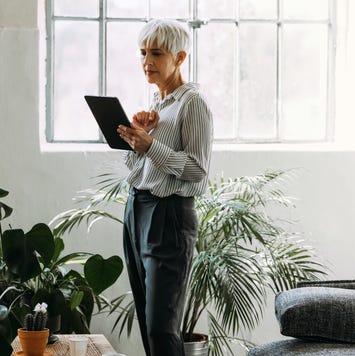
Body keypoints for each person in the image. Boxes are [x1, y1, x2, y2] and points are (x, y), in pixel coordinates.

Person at [117, 18, 213, 356]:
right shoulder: (158, 106)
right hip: (137, 210)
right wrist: (136, 139)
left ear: (180, 58)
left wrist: (150, 146)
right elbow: (141, 168)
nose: (147, 62)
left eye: (157, 53)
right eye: (143, 53)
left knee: (161, 327)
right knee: (147, 321)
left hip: (169, 215)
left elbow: (198, 170)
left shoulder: (192, 103)